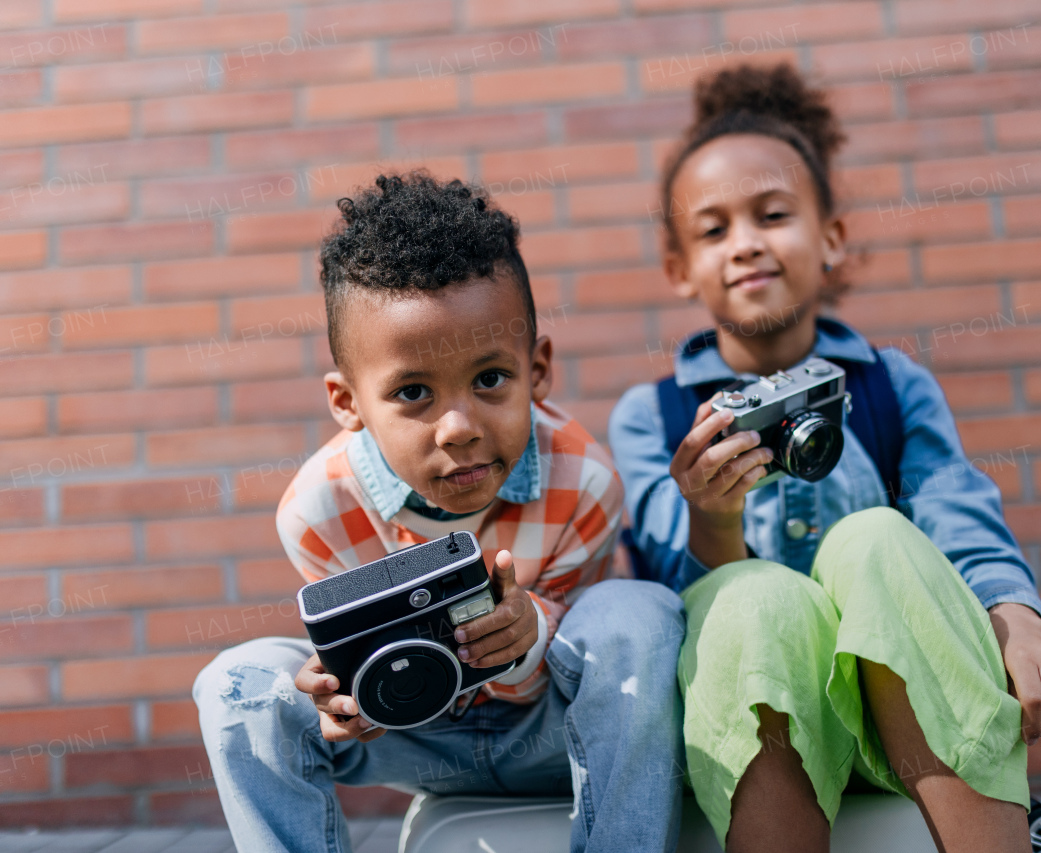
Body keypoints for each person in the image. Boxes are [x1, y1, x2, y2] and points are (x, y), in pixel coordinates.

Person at [608, 64, 1041, 853]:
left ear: (830, 236)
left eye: (772, 215)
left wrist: (1020, 621)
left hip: (906, 703)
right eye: (714, 230)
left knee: (876, 537)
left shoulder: (892, 385)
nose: (747, 243)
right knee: (753, 595)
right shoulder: (654, 416)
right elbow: (673, 590)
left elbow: (957, 516)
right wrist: (712, 516)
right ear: (679, 269)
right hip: (757, 727)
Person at [194, 172, 687, 853]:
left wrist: (530, 633)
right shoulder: (319, 509)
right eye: (413, 392)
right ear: (348, 403)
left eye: (490, 379)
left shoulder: (586, 479)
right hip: (413, 737)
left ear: (537, 368)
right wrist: (339, 702)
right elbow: (354, 687)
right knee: (237, 682)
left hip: (546, 731)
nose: (457, 426)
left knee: (640, 613)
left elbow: (591, 659)